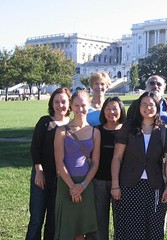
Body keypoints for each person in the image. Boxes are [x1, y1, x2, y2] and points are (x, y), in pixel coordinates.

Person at [111, 92, 167, 240]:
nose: (147, 108)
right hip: (130, 185)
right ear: (139, 107)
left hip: (155, 186)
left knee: (154, 230)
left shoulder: (165, 130)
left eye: (151, 104)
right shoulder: (128, 127)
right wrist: (115, 185)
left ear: (157, 107)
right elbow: (117, 157)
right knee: (131, 230)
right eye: (144, 104)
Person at [54, 90, 101, 240]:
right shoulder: (62, 131)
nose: (80, 109)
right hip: (66, 183)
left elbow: (95, 163)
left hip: (86, 184)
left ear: (89, 105)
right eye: (77, 105)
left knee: (82, 228)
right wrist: (73, 187)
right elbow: (59, 161)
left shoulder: (95, 132)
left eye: (83, 105)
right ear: (72, 107)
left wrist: (83, 185)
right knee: (67, 227)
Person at [26, 88, 71, 240]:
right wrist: (38, 171)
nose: (60, 105)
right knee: (36, 219)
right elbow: (35, 148)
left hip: (60, 179)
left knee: (53, 220)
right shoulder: (45, 122)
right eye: (56, 102)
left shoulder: (71, 125)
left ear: (69, 103)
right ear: (52, 103)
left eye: (63, 102)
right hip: (42, 176)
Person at [93, 97, 126, 240]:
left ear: (121, 111)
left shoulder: (127, 131)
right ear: (103, 111)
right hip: (99, 180)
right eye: (108, 108)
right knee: (100, 220)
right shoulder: (96, 131)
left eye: (115, 109)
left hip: (122, 182)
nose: (111, 112)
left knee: (121, 221)